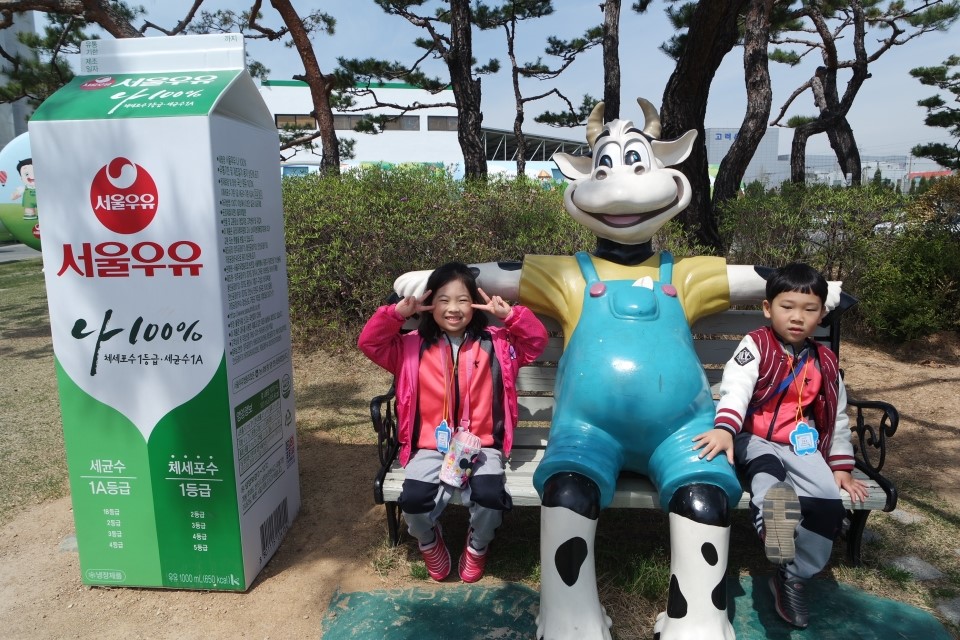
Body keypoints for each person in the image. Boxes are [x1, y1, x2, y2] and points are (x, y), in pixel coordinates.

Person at [692, 262, 869, 630]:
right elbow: (736, 389)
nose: (797, 317)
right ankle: (770, 522)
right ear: (767, 308)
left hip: (801, 446)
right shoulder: (755, 345)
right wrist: (725, 428)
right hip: (753, 438)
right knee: (766, 472)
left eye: (809, 309)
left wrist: (841, 467)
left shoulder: (825, 361)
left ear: (821, 315)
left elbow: (836, 415)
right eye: (787, 307)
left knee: (827, 502)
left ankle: (792, 575)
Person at [358, 261, 548, 582]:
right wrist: (396, 315)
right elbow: (370, 343)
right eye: (443, 300)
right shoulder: (410, 346)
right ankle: (429, 541)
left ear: (474, 304)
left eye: (462, 300)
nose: (453, 309)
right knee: (413, 501)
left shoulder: (498, 344)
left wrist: (511, 317)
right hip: (430, 446)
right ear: (429, 304)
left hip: (482, 446)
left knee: (490, 496)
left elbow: (535, 342)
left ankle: (478, 544)